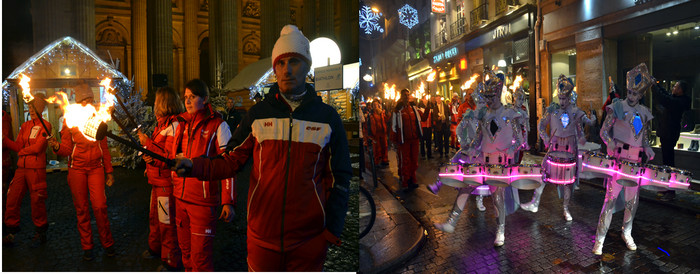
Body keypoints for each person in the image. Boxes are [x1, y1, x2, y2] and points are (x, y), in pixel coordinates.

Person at [173, 25, 351, 271]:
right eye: (280, 63)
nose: (287, 69)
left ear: (307, 66)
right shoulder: (257, 115)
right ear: (275, 69)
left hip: (308, 241)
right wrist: (195, 165)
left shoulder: (327, 118)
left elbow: (340, 177)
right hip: (262, 238)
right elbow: (230, 160)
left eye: (295, 61)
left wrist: (332, 229)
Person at [433, 68, 524, 246]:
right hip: (482, 160)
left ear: (498, 95)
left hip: (500, 163)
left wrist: (512, 149)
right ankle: (451, 223)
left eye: (491, 97)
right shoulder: (484, 115)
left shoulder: (510, 114)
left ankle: (501, 230)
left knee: (497, 197)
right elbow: (478, 138)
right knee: (465, 186)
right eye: (487, 97)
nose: (488, 101)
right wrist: (470, 147)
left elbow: (519, 139)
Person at [168, 79, 234, 271]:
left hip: (203, 203)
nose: (187, 101)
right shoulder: (181, 125)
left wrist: (228, 200)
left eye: (193, 97)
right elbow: (172, 158)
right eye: (186, 97)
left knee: (200, 259)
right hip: (181, 199)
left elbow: (228, 164)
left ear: (205, 99)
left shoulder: (218, 126)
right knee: (185, 252)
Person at [48, 83, 116, 261]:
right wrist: (57, 147)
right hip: (76, 169)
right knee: (82, 209)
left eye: (91, 99)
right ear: (78, 102)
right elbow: (66, 149)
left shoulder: (97, 117)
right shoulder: (69, 120)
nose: (89, 103)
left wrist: (109, 171)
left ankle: (107, 243)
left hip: (96, 168)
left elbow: (104, 147)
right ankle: (87, 246)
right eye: (85, 100)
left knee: (100, 206)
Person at [593, 63, 655, 255]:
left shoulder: (644, 112)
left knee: (631, 202)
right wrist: (609, 142)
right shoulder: (616, 107)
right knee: (609, 201)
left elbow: (643, 136)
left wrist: (647, 147)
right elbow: (604, 131)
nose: (631, 96)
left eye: (635, 94)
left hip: (635, 163)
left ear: (641, 95)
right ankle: (600, 238)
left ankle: (627, 233)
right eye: (629, 92)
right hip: (618, 161)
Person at [521, 75, 594, 221]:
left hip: (569, 152)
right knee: (543, 175)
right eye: (560, 98)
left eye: (564, 99)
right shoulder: (552, 110)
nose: (562, 102)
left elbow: (583, 126)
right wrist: (546, 138)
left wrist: (589, 124)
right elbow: (541, 126)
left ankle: (566, 209)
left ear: (569, 97)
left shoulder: (576, 112)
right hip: (553, 149)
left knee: (568, 183)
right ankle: (535, 203)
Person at [136, 87, 184, 271]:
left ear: (164, 103)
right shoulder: (161, 124)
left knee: (166, 223)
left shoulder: (174, 126)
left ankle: (170, 260)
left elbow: (168, 157)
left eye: (156, 102)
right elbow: (157, 152)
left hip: (165, 183)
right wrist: (148, 155)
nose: (154, 105)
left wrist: (147, 144)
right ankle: (155, 248)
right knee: (154, 219)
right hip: (156, 181)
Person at [2, 94, 51, 247]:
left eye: (33, 106)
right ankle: (10, 231)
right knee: (12, 198)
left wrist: (22, 151)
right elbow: (17, 146)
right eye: (29, 107)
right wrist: (4, 139)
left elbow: (38, 148)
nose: (31, 109)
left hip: (36, 169)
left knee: (37, 200)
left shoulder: (46, 125)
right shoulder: (24, 126)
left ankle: (41, 231)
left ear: (40, 108)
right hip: (21, 169)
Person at [652, 80, 691, 201]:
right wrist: (657, 85)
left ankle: (670, 190)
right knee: (666, 162)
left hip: (669, 134)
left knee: (669, 163)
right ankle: (666, 188)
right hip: (667, 133)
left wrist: (654, 87)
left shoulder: (679, 102)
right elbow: (666, 95)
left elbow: (665, 99)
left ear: (680, 90)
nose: (673, 88)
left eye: (675, 86)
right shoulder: (676, 99)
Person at [392, 89, 424, 190]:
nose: (406, 97)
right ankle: (405, 181)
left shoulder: (414, 108)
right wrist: (395, 140)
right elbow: (393, 126)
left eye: (408, 95)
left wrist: (427, 107)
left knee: (414, 161)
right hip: (404, 140)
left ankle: (412, 179)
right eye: (404, 95)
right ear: (401, 97)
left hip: (414, 139)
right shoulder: (398, 110)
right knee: (405, 161)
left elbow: (422, 119)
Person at [367, 100, 389, 167]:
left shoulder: (382, 113)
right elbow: (368, 125)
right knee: (376, 148)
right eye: (374, 105)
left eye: (376, 104)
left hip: (383, 133)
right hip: (375, 134)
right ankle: (376, 162)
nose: (375, 106)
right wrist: (370, 135)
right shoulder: (370, 115)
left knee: (384, 147)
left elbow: (387, 120)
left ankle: (384, 160)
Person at [417, 95, 433, 159]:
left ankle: (429, 154)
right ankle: (423, 154)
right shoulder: (420, 107)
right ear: (422, 99)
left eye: (427, 99)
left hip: (429, 126)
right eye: (425, 99)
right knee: (423, 141)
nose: (426, 100)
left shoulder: (430, 107)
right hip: (423, 126)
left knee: (429, 141)